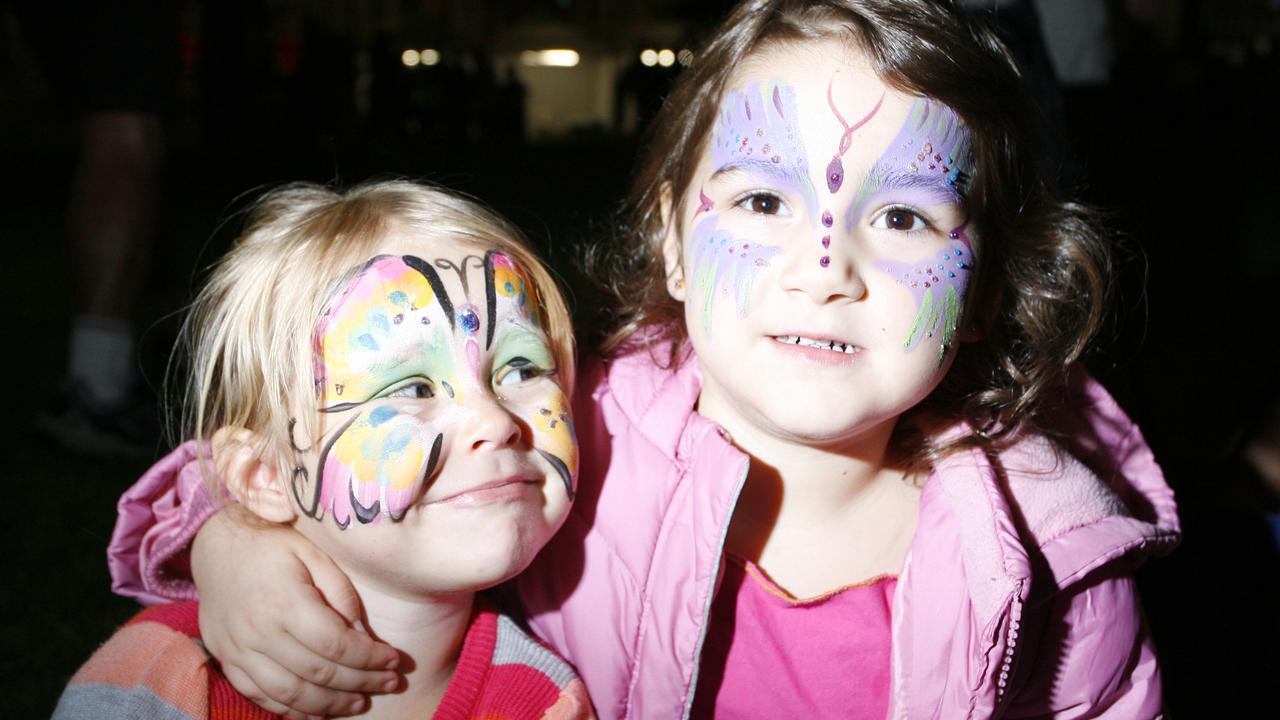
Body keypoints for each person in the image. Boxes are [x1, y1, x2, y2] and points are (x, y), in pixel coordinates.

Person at [106, 2, 1180, 718]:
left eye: (900, 216)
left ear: (987, 285)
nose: (824, 268)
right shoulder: (578, 433)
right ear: (668, 232)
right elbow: (314, 450)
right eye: (761, 200)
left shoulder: (1057, 567)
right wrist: (231, 541)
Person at [56, 181, 592, 719]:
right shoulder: (148, 690)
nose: (496, 422)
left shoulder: (548, 703)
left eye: (521, 368)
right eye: (412, 389)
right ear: (264, 474)